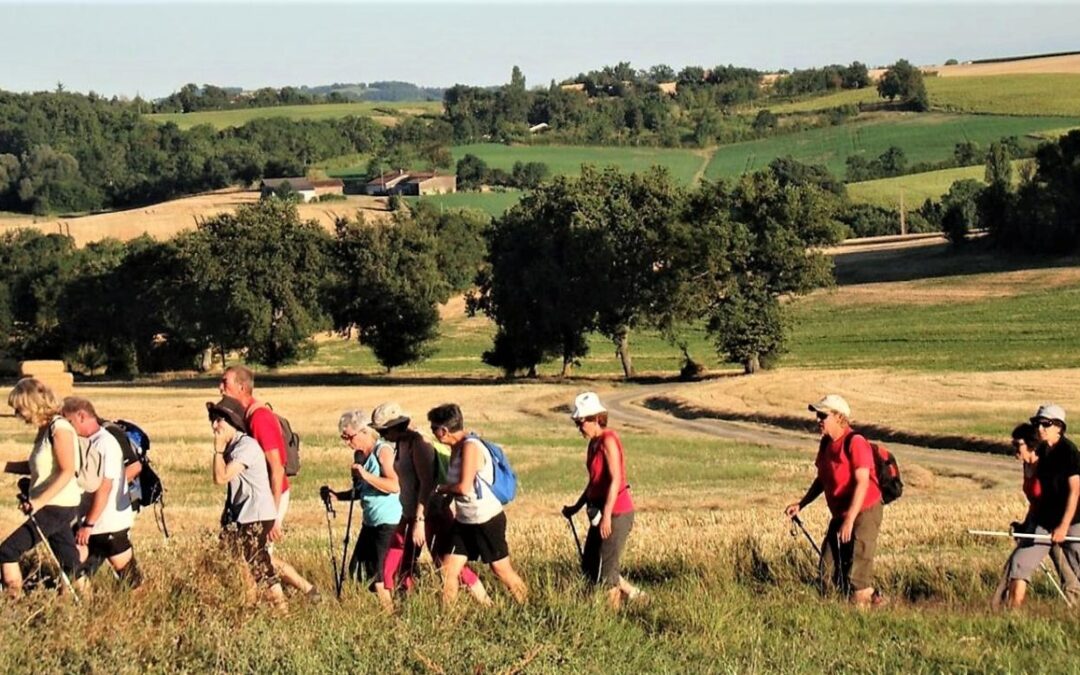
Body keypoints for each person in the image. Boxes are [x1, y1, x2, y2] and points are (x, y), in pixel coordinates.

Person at [370, 402, 489, 605]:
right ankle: (397, 609)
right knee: (396, 563)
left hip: (430, 514)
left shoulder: (419, 444)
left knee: (446, 564)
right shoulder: (400, 443)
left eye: (383, 431)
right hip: (408, 513)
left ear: (395, 427)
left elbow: (427, 484)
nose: (382, 437)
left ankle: (486, 603)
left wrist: (419, 520)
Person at [219, 366, 317, 600]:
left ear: (241, 387)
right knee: (255, 554)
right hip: (257, 497)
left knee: (259, 557)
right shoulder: (246, 415)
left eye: (225, 382)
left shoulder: (260, 418)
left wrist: (272, 516)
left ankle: (282, 604)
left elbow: (277, 467)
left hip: (271, 496)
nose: (220, 387)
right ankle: (308, 592)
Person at [785, 394, 884, 607]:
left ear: (839, 417)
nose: (818, 420)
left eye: (823, 415)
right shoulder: (826, 444)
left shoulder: (855, 442)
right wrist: (801, 504)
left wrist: (850, 520)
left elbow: (862, 483)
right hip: (841, 513)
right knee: (828, 571)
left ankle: (862, 622)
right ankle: (876, 603)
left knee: (857, 578)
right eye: (817, 415)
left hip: (864, 511)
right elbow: (822, 479)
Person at [430, 403, 527, 606]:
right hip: (464, 520)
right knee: (448, 570)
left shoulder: (470, 447)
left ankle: (527, 606)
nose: (433, 433)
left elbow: (464, 487)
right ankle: (448, 620)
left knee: (501, 570)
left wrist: (441, 489)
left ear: (444, 430)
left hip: (486, 519)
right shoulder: (456, 448)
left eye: (433, 428)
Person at [561, 392, 643, 609]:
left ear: (596, 418)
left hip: (617, 513)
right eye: (577, 423)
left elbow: (615, 479)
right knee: (590, 566)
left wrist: (607, 516)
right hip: (599, 512)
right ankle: (636, 596)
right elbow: (595, 482)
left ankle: (612, 620)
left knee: (607, 571)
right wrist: (575, 507)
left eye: (581, 422)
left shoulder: (608, 440)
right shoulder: (593, 443)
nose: (579, 427)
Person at [0, 378, 82, 598]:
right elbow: (36, 467)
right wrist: (4, 466)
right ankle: (90, 603)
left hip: (56, 506)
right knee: (70, 564)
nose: (19, 415)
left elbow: (67, 470)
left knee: (7, 551)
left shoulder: (59, 428)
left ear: (33, 404)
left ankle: (12, 601)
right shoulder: (45, 429)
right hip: (53, 505)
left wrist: (38, 502)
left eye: (20, 409)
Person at [208, 395, 286, 611]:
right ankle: (250, 604)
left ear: (232, 421)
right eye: (213, 420)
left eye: (219, 420)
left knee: (259, 565)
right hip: (245, 514)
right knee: (242, 561)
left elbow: (220, 478)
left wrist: (217, 449)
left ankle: (282, 610)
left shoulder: (246, 447)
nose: (215, 425)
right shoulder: (235, 446)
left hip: (257, 515)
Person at [319, 410, 401, 611]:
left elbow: (394, 485)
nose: (348, 442)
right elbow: (362, 491)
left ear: (364, 431)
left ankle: (389, 615)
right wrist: (338, 496)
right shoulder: (360, 456)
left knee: (377, 572)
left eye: (350, 437)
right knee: (358, 568)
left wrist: (364, 475)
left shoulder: (383, 452)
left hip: (388, 521)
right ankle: (373, 610)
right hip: (371, 522)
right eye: (344, 438)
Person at [61, 397, 143, 590]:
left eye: (69, 422)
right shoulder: (89, 442)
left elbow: (104, 488)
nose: (68, 428)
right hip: (93, 525)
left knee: (131, 580)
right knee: (74, 577)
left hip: (106, 525)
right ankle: (83, 612)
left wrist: (88, 524)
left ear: (82, 415)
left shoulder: (104, 443)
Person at [1005, 404, 1080, 608]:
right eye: (1038, 423)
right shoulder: (1042, 452)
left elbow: (1075, 491)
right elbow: (1039, 498)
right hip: (1045, 521)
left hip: (1073, 520)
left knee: (1076, 566)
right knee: (1020, 562)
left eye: (1045, 424)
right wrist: (1027, 524)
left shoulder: (1069, 452)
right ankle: (1011, 617)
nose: (1040, 428)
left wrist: (1064, 526)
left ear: (1059, 427)